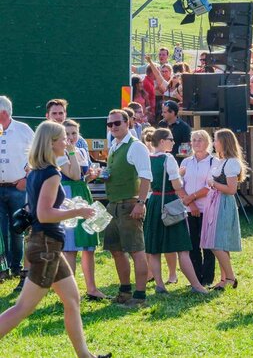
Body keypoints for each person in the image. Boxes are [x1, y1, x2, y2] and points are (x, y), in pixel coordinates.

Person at [0, 121, 109, 358]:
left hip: (47, 245)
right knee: (22, 308)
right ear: (51, 143)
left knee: (72, 300)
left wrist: (67, 206)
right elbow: (44, 214)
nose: (66, 142)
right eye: (62, 138)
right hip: (46, 246)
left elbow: (41, 207)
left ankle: (85, 355)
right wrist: (78, 212)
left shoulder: (36, 171)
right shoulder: (51, 173)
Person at [142, 128, 209, 294]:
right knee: (183, 248)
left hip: (154, 202)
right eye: (171, 139)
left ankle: (159, 285)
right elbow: (176, 185)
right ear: (162, 141)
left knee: (154, 249)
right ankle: (196, 285)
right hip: (170, 202)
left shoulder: (148, 158)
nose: (173, 142)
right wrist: (180, 175)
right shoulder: (168, 158)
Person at [102, 108, 153, 306]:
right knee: (116, 250)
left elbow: (146, 177)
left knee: (136, 250)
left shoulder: (136, 146)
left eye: (117, 123)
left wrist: (140, 203)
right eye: (110, 124)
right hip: (114, 204)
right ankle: (124, 291)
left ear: (127, 123)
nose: (113, 127)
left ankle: (140, 295)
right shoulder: (114, 146)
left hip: (130, 204)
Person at [57, 120, 103, 300]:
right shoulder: (59, 153)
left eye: (74, 133)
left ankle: (92, 288)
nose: (70, 137)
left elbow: (82, 178)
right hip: (68, 196)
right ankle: (69, 292)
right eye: (67, 134)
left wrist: (91, 176)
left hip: (83, 194)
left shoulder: (82, 151)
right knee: (70, 247)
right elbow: (74, 175)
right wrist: (70, 151)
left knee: (88, 245)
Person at [199, 129, 245, 291]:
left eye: (216, 140)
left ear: (224, 142)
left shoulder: (231, 163)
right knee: (220, 243)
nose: (214, 143)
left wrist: (213, 184)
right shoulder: (221, 161)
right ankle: (224, 279)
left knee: (216, 243)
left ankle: (230, 277)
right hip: (215, 202)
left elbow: (231, 189)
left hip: (223, 204)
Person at [0, 96, 34, 288]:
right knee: (0, 230)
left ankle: (16, 266)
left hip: (17, 187)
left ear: (3, 113)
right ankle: (3, 267)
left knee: (18, 228)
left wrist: (26, 179)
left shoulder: (23, 130)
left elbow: (36, 155)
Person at [179, 130, 217, 288]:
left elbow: (210, 186)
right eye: (194, 140)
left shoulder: (213, 161)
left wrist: (192, 198)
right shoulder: (186, 162)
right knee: (192, 244)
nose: (196, 143)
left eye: (200, 140)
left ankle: (207, 278)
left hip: (207, 208)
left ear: (207, 143)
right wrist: (190, 203)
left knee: (207, 244)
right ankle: (195, 278)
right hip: (189, 209)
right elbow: (179, 184)